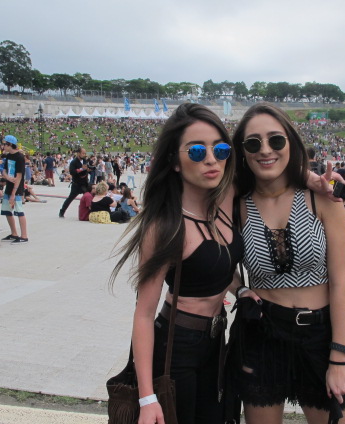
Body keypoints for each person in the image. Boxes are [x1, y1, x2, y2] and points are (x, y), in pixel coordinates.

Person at [111, 104, 248, 424]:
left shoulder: (225, 199)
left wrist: (241, 292)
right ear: (174, 160)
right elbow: (143, 315)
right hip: (176, 347)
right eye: (198, 151)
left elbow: (273, 176)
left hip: (217, 342)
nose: (212, 159)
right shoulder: (165, 225)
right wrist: (147, 398)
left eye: (221, 148)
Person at [231, 103, 345, 424]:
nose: (265, 150)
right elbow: (210, 258)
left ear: (291, 142)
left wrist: (339, 356)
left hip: (319, 334)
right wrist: (240, 289)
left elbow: (341, 283)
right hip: (261, 334)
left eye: (276, 140)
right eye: (253, 143)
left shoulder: (322, 198)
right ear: (242, 152)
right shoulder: (236, 204)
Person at [0, 135, 29, 244]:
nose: (3, 146)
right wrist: (7, 177)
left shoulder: (19, 157)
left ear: (10, 144)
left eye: (5, 144)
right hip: (9, 185)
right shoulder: (8, 156)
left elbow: (19, 176)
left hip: (17, 188)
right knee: (7, 211)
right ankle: (14, 233)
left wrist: (13, 193)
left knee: (19, 211)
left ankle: (24, 235)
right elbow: (4, 170)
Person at [59, 147, 89, 218]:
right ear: (78, 153)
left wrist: (88, 169)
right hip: (76, 184)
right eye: (83, 153)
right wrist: (81, 169)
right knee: (70, 198)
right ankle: (62, 211)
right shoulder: (74, 162)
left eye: (85, 153)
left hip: (84, 183)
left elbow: (87, 169)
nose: (84, 154)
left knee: (88, 197)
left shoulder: (85, 160)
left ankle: (89, 212)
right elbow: (72, 172)